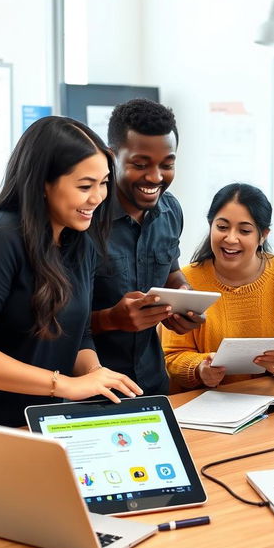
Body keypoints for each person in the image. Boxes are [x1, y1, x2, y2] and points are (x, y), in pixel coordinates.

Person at [0, 116, 142, 427]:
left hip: (34, 418)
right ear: (43, 184)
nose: (98, 197)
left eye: (103, 183)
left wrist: (93, 374)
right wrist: (65, 385)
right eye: (85, 186)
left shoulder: (80, 244)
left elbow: (78, 335)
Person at [162, 183, 274, 391]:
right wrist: (199, 369)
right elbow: (173, 356)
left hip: (271, 402)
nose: (231, 238)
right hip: (203, 405)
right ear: (210, 225)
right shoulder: (183, 281)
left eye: (244, 230)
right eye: (222, 227)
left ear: (263, 235)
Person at [91, 99, 204, 396]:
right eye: (140, 165)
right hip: (90, 384)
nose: (155, 177)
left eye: (167, 165)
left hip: (151, 381)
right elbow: (52, 322)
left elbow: (171, 272)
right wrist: (109, 320)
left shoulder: (170, 211)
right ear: (112, 156)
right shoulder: (85, 219)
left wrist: (184, 298)